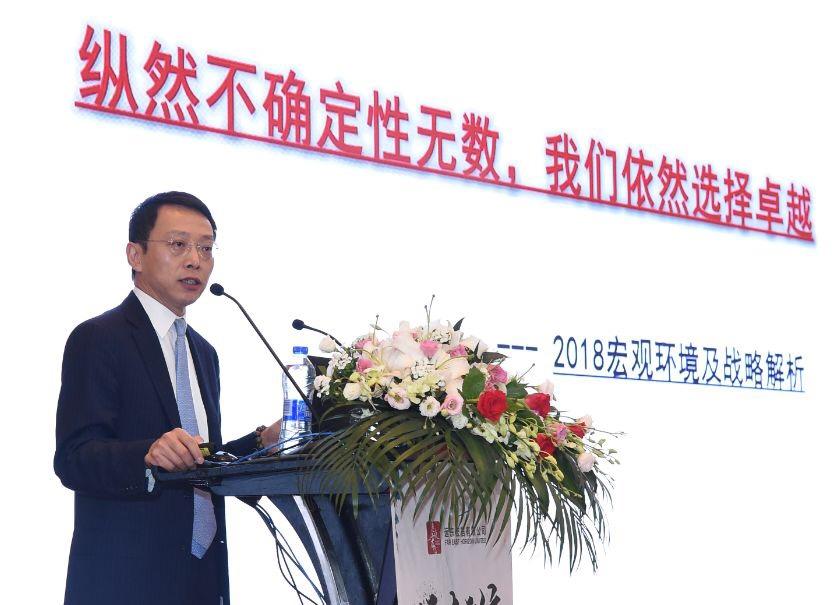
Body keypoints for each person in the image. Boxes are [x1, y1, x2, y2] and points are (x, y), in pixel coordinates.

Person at [54, 191, 280, 605]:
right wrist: (147, 454)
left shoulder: (204, 353)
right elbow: (73, 458)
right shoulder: (99, 338)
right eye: (178, 245)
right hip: (125, 583)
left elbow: (199, 460)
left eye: (206, 248)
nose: (195, 260)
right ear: (135, 255)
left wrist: (261, 443)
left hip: (201, 578)